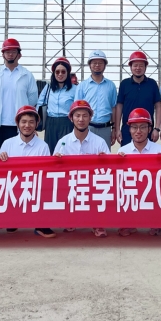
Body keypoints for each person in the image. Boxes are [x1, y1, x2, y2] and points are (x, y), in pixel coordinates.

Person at [53, 100, 110, 238]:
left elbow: (110, 170)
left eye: (85, 116)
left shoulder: (99, 142)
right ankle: (71, 219)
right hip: (71, 183)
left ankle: (97, 222)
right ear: (71, 118)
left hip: (92, 184)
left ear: (90, 118)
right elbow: (54, 169)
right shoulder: (63, 142)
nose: (81, 119)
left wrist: (104, 161)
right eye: (77, 115)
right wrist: (57, 160)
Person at [0, 105, 55, 239]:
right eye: (23, 122)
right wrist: (0, 158)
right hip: (14, 185)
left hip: (35, 186)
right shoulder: (7, 144)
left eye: (31, 122)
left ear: (36, 124)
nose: (27, 126)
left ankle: (41, 224)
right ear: (18, 123)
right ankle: (12, 219)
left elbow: (46, 173)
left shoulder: (43, 146)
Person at [0, 38, 38, 156]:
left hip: (18, 126)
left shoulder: (27, 75)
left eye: (13, 52)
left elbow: (32, 100)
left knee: (16, 158)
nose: (10, 54)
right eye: (7, 52)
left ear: (19, 55)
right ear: (2, 54)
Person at [117, 108, 161, 237]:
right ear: (129, 129)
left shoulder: (159, 150)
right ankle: (128, 222)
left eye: (143, 127)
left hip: (151, 191)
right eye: (134, 127)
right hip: (131, 191)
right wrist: (118, 162)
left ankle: (155, 221)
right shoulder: (122, 151)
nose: (138, 131)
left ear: (149, 129)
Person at [113, 51, 161, 147]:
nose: (138, 68)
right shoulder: (124, 84)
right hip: (127, 130)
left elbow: (158, 106)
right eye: (135, 65)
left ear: (145, 67)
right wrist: (117, 129)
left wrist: (157, 128)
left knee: (148, 154)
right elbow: (119, 107)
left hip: (147, 129)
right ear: (130, 67)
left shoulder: (152, 84)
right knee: (126, 155)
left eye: (141, 65)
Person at [75, 50, 117, 148]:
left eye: (100, 63)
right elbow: (76, 109)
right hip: (87, 128)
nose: (97, 65)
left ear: (105, 65)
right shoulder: (82, 86)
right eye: (94, 62)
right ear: (90, 65)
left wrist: (114, 129)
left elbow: (114, 108)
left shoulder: (111, 86)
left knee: (104, 156)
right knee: (86, 154)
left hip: (105, 129)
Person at [37, 58, 75, 153]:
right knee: (51, 150)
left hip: (67, 123)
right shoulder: (48, 88)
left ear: (68, 73)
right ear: (53, 73)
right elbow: (39, 104)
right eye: (57, 72)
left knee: (66, 150)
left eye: (63, 71)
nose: (60, 74)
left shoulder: (75, 89)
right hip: (50, 123)